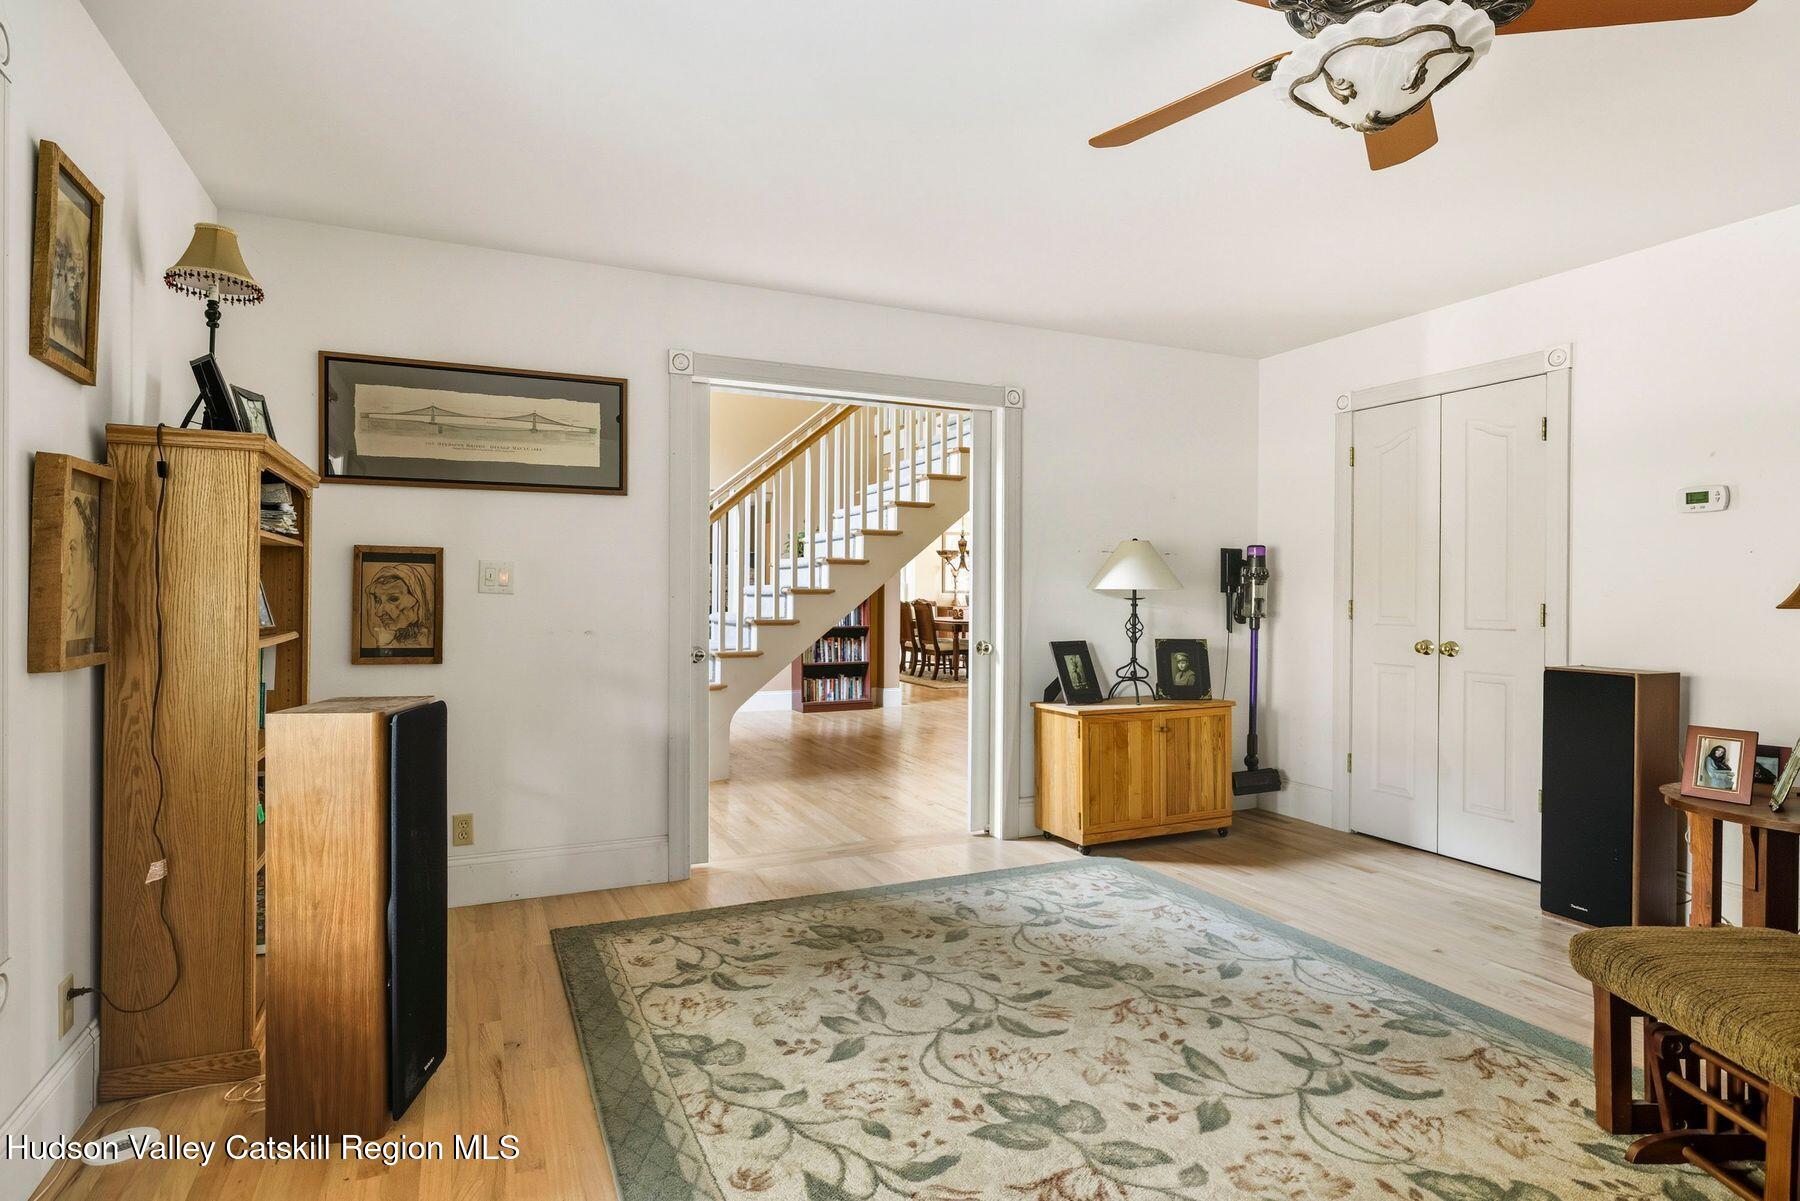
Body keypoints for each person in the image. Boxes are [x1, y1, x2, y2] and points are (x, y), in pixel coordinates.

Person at [363, 562, 435, 649]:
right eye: (377, 600)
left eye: (393, 599)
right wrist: (382, 642)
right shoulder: (389, 640)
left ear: (419, 600)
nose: (379, 613)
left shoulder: (429, 641)